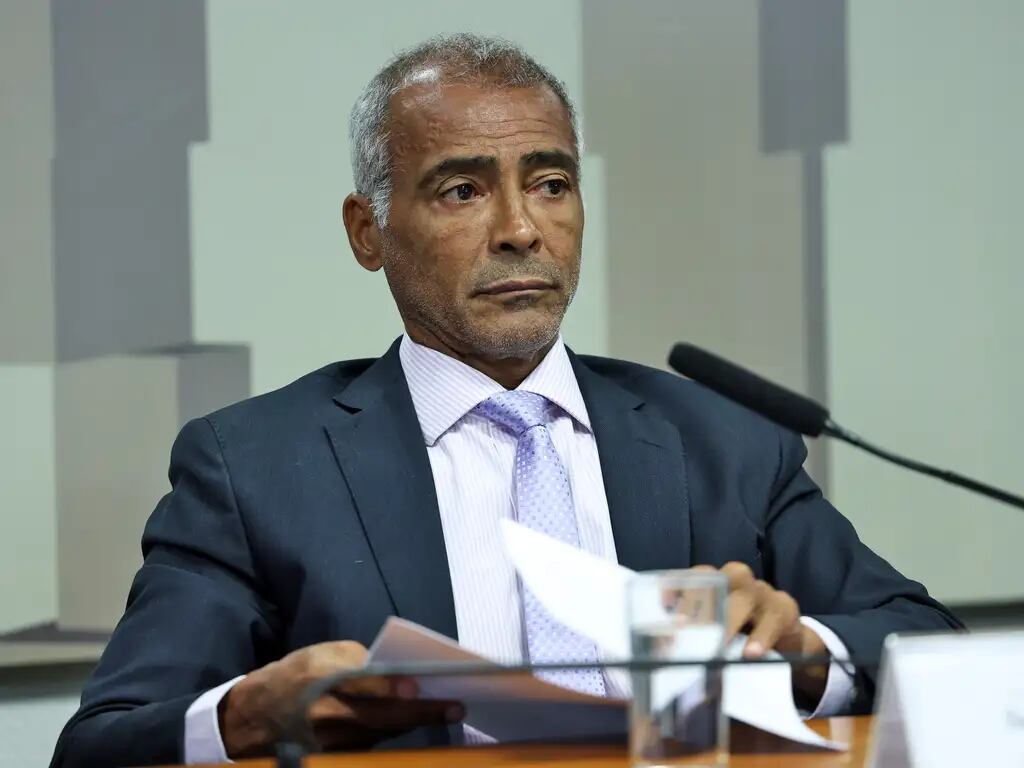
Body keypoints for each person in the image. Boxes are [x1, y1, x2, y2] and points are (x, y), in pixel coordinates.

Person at [51, 33, 961, 768]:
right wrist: (247, 715)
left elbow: (927, 645)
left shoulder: (719, 440)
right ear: (368, 232)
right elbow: (103, 742)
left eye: (551, 184)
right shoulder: (256, 468)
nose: (522, 229)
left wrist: (804, 654)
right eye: (462, 190)